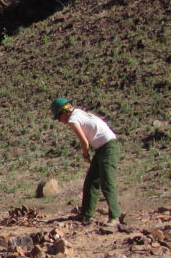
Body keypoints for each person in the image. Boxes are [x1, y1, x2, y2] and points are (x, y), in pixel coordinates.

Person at [51, 97, 121, 226]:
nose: (60, 122)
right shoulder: (79, 112)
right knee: (91, 182)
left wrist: (85, 154)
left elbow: (84, 141)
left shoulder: (73, 119)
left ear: (63, 112)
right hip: (102, 148)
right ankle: (86, 215)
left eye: (58, 118)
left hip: (108, 147)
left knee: (107, 183)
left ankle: (115, 217)